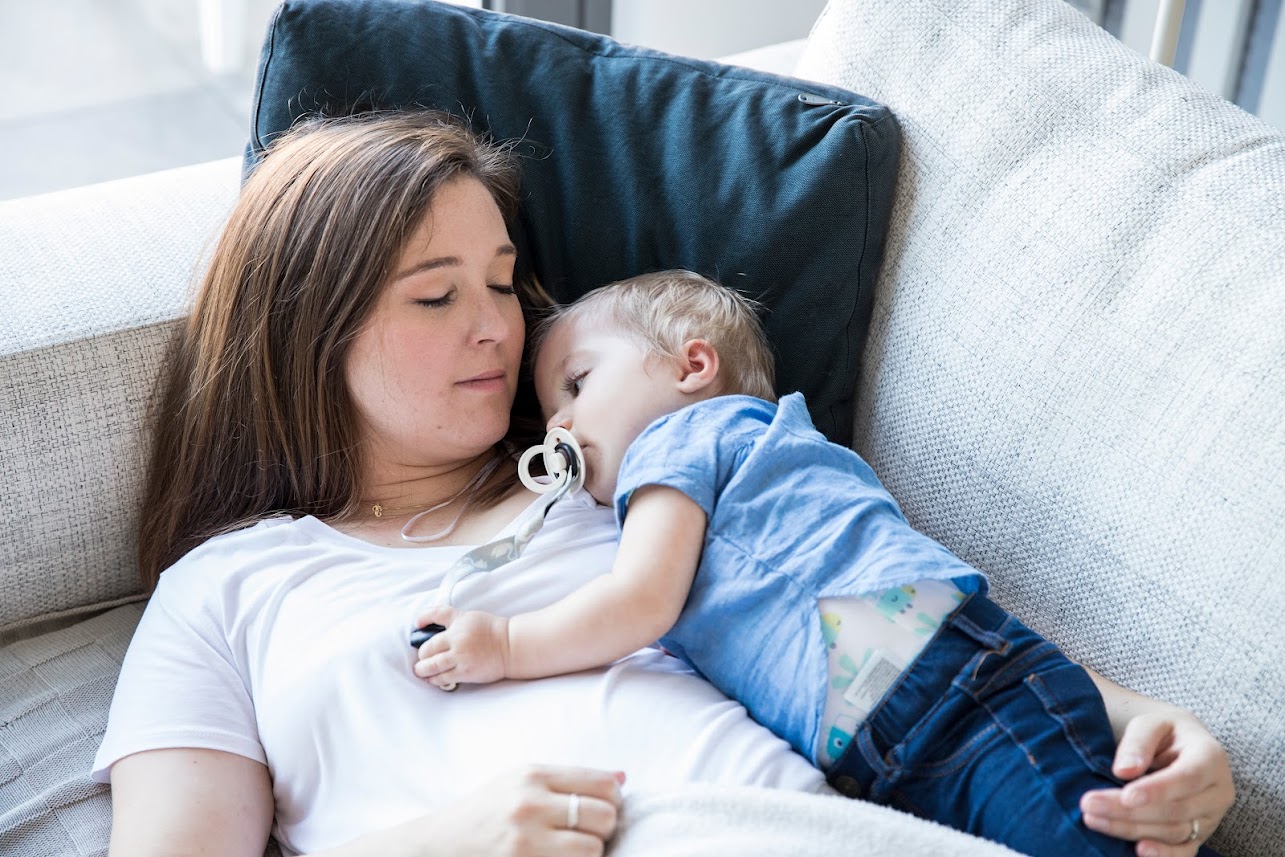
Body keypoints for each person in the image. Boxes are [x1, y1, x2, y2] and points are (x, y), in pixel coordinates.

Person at [90, 110, 1231, 857]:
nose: (496, 326)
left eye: (502, 282)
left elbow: (879, 604)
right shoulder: (229, 590)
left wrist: (1142, 727)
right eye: (436, 296)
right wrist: (450, 840)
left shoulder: (624, 473)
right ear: (308, 327)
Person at [413, 269, 1235, 857]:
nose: (558, 426)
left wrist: (506, 643)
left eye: (577, 384)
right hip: (896, 740)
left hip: (947, 692)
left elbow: (639, 602)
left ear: (693, 368)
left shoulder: (687, 439)